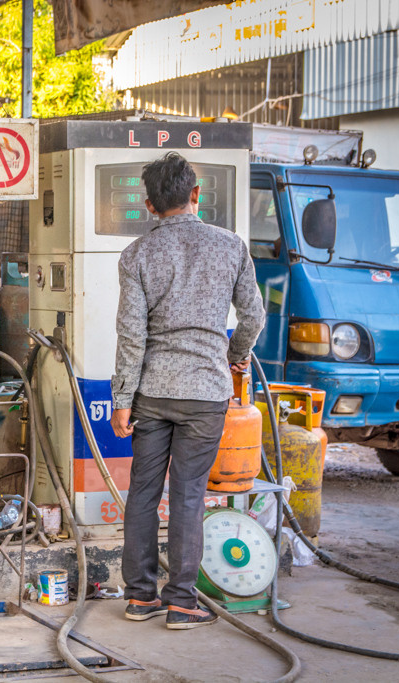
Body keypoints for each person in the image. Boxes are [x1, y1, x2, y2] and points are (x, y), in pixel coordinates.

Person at [110, 152, 265, 630]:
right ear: (196, 195)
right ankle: (181, 602)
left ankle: (139, 598)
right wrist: (233, 355)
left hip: (151, 394)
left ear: (150, 204)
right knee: (189, 496)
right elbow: (254, 317)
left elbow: (131, 335)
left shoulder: (136, 254)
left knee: (142, 492)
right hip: (205, 393)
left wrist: (121, 400)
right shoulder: (231, 246)